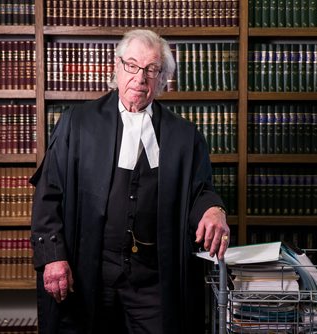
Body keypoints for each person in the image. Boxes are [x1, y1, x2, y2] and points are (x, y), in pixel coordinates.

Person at [30, 29, 230, 334]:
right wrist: (53, 258)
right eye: (132, 65)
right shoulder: (78, 122)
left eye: (152, 70)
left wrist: (213, 209)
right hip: (89, 273)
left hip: (152, 280)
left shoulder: (184, 136)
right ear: (117, 67)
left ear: (163, 79)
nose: (140, 78)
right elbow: (48, 194)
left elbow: (200, 191)